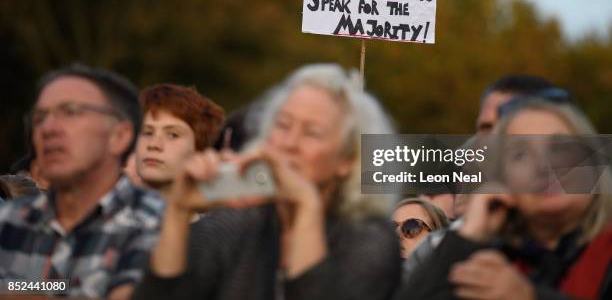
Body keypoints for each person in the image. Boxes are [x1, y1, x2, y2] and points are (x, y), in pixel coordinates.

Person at [133, 64, 401, 300]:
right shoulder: (239, 222)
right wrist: (179, 211)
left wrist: (307, 207)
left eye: (312, 133)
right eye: (283, 126)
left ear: (347, 161)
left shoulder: (369, 238)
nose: (290, 143)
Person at [396, 99, 612, 299]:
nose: (543, 165)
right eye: (520, 154)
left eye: (560, 147)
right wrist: (467, 236)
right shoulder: (489, 258)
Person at [0, 64, 164, 299]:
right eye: (40, 117)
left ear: (120, 136)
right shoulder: (9, 221)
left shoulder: (159, 223)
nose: (48, 128)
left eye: (71, 112)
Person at [135, 83, 225, 201]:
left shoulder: (224, 218)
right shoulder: (106, 214)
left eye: (173, 135)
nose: (154, 145)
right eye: (147, 132)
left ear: (199, 149)